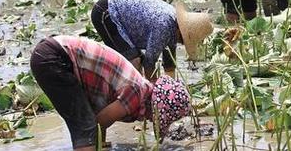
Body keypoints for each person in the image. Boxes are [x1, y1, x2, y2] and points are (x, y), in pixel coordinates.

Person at [30, 35, 190, 150]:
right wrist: (93, 142)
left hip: (51, 54)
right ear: (154, 107)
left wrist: (101, 144)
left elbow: (101, 116)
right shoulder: (137, 93)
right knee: (86, 129)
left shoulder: (139, 86)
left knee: (87, 127)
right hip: (56, 58)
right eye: (155, 117)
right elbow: (101, 121)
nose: (148, 118)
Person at [90, 0, 213, 79]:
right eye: (184, 40)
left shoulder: (173, 25)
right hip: (106, 13)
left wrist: (173, 86)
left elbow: (169, 63)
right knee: (134, 61)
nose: (182, 43)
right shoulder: (164, 25)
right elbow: (149, 64)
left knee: (134, 59)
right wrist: (154, 89)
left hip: (121, 15)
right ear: (181, 32)